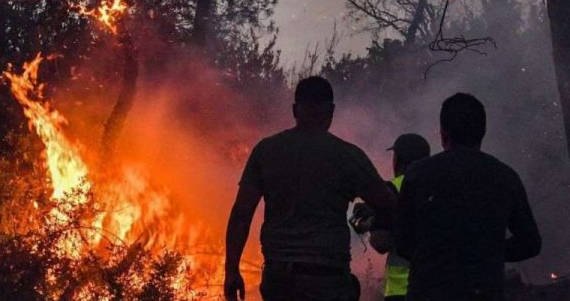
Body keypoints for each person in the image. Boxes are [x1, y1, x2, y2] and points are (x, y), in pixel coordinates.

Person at [224, 76, 397, 301]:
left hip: (279, 280)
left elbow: (241, 215)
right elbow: (388, 206)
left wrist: (231, 270)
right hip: (328, 280)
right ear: (331, 111)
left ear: (295, 110)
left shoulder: (266, 151)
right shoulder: (348, 156)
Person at [396, 93, 541, 301]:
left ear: (443, 134)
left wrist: (437, 254)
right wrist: (488, 251)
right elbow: (531, 243)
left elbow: (403, 243)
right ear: (482, 132)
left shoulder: (418, 174)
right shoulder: (504, 177)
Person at [356, 134, 430, 301]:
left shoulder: (390, 190)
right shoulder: (439, 189)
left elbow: (381, 243)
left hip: (400, 290)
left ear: (397, 160)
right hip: (435, 286)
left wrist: (369, 224)